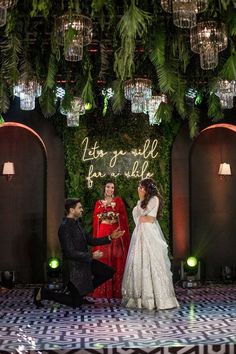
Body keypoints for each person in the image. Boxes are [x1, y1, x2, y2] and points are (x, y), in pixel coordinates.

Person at [33, 198, 124, 308]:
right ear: (72, 210)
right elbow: (69, 253)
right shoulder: (65, 227)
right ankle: (43, 293)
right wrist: (91, 255)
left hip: (85, 263)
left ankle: (81, 293)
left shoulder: (77, 223)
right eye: (79, 208)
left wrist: (110, 237)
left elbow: (90, 240)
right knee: (76, 303)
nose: (82, 210)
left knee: (108, 272)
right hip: (73, 269)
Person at [122, 178, 179, 310]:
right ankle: (139, 298)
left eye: (142, 187)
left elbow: (146, 216)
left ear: (148, 188)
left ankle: (157, 298)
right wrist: (141, 202)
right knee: (139, 261)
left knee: (152, 261)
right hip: (140, 232)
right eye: (139, 187)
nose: (140, 189)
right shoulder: (141, 201)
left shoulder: (154, 199)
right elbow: (138, 217)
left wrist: (141, 202)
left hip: (149, 232)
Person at [92, 180, 130, 298]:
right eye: (108, 187)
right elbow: (95, 222)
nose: (110, 189)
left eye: (112, 187)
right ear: (104, 188)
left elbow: (123, 218)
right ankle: (103, 290)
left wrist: (120, 232)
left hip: (115, 232)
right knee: (104, 258)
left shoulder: (118, 202)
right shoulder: (98, 203)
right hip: (103, 231)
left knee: (116, 258)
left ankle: (116, 289)